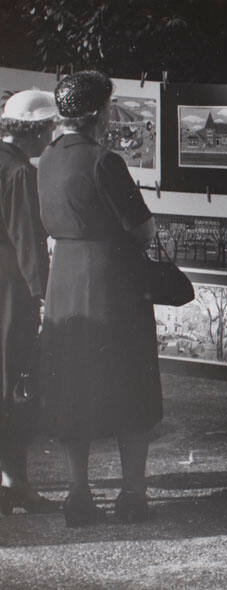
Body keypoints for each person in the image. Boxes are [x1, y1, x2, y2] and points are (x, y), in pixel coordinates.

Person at [37, 71, 161, 527]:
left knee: (72, 387)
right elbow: (143, 231)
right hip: (113, 283)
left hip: (64, 282)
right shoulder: (105, 161)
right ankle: (131, 495)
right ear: (99, 113)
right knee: (132, 385)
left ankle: (77, 494)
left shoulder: (47, 159)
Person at [0, 89, 60, 516]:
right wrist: (43, 296)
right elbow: (28, 244)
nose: (51, 137)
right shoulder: (20, 173)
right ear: (35, 130)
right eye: (49, 128)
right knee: (15, 385)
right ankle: (14, 483)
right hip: (9, 292)